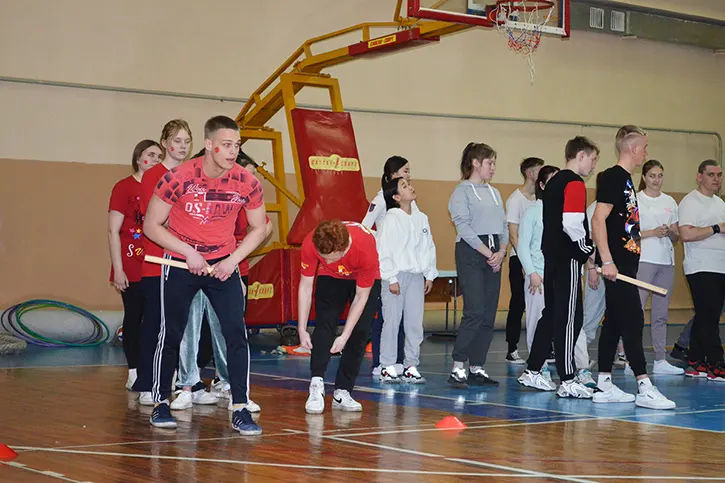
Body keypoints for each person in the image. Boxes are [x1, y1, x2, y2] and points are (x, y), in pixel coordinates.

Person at [143, 115, 268, 434]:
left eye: (236, 145)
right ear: (209, 145)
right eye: (226, 145)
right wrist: (188, 252)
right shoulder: (179, 177)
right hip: (182, 262)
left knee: (236, 334)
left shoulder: (246, 182)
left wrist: (233, 260)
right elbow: (151, 225)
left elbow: (260, 228)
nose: (233, 151)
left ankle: (240, 407)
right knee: (171, 332)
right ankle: (160, 403)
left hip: (222, 263)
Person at [171, 149, 272, 412]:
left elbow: (264, 227)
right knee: (190, 326)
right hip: (194, 266)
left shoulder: (247, 196)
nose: (249, 180)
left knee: (228, 329)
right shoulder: (203, 192)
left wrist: (234, 264)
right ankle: (186, 385)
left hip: (228, 268)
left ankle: (230, 385)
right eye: (246, 173)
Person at [592, 125, 675, 409]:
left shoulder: (627, 180)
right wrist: (607, 260)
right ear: (633, 148)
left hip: (626, 264)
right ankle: (644, 386)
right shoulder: (614, 177)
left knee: (614, 322)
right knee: (633, 320)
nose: (646, 153)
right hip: (616, 265)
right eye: (645, 147)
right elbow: (598, 219)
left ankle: (604, 384)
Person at [518, 137, 597, 397]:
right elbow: (571, 223)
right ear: (581, 156)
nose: (593, 165)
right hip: (567, 259)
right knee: (569, 318)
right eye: (593, 159)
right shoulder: (574, 182)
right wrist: (587, 249)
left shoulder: (553, 183)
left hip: (551, 259)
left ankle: (532, 370)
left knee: (552, 314)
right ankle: (568, 379)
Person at [132, 119, 193, 406]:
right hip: (158, 262)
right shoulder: (153, 175)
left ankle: (182, 382)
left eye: (186, 141)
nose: (182, 146)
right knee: (155, 324)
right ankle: (147, 382)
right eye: (177, 141)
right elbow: (153, 219)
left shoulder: (191, 173)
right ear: (165, 143)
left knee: (181, 326)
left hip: (185, 262)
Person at [298, 220, 382, 414]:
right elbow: (305, 286)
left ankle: (343, 390)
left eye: (331, 258)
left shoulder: (365, 248)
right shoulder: (311, 242)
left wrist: (344, 336)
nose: (327, 262)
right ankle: (316, 384)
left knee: (360, 331)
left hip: (361, 278)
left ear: (344, 249)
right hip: (331, 278)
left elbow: (361, 297)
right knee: (325, 322)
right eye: (323, 258)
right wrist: (301, 328)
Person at [447, 142, 507, 388]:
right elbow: (463, 226)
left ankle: (477, 366)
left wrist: (501, 251)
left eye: (494, 163)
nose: (493, 168)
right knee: (475, 310)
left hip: (494, 251)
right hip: (471, 252)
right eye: (489, 163)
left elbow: (503, 225)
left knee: (489, 313)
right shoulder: (461, 192)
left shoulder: (495, 192)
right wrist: (488, 253)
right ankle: (458, 366)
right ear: (475, 163)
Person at [107, 139, 162, 390]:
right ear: (138, 158)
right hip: (131, 264)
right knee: (134, 316)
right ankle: (134, 370)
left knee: (155, 319)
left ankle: (154, 370)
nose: (156, 159)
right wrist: (118, 269)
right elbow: (113, 231)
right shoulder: (124, 187)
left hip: (156, 264)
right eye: (151, 154)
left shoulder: (162, 188)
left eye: (159, 155)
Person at [376, 177, 438, 384]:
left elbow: (429, 247)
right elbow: (383, 250)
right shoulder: (390, 219)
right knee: (392, 322)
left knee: (414, 323)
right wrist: (391, 278)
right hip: (395, 276)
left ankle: (411, 365)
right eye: (404, 186)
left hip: (416, 277)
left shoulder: (422, 218)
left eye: (408, 184)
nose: (410, 187)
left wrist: (429, 273)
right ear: (396, 197)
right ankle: (387, 366)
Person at [361, 156, 411, 378]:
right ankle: (379, 362)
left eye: (409, 171)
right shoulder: (381, 199)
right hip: (387, 266)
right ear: (393, 175)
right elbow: (364, 226)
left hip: (405, 266)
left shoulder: (408, 200)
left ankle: (398, 361)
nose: (408, 175)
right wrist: (381, 239)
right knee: (385, 317)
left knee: (401, 318)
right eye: (405, 171)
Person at [678, 159, 725, 381]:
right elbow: (686, 234)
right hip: (700, 267)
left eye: (719, 175)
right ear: (699, 177)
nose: (716, 179)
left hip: (720, 266)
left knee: (708, 315)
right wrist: (716, 228)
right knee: (708, 318)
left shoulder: (720, 203)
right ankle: (717, 364)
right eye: (711, 175)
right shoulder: (690, 202)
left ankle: (695, 361)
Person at [635, 160, 683, 375]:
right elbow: (629, 232)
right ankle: (629, 358)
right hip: (644, 259)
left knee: (661, 313)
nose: (656, 180)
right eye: (652, 175)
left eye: (660, 175)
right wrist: (652, 233)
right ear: (644, 177)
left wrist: (670, 233)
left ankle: (660, 359)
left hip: (666, 262)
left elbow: (676, 235)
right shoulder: (636, 200)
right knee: (636, 311)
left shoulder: (669, 201)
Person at [504, 157, 544, 364]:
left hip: (539, 261)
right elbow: (513, 235)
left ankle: (544, 346)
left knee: (543, 304)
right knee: (518, 302)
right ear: (530, 173)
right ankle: (512, 348)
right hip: (519, 259)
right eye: (539, 170)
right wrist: (524, 263)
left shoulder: (540, 200)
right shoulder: (515, 200)